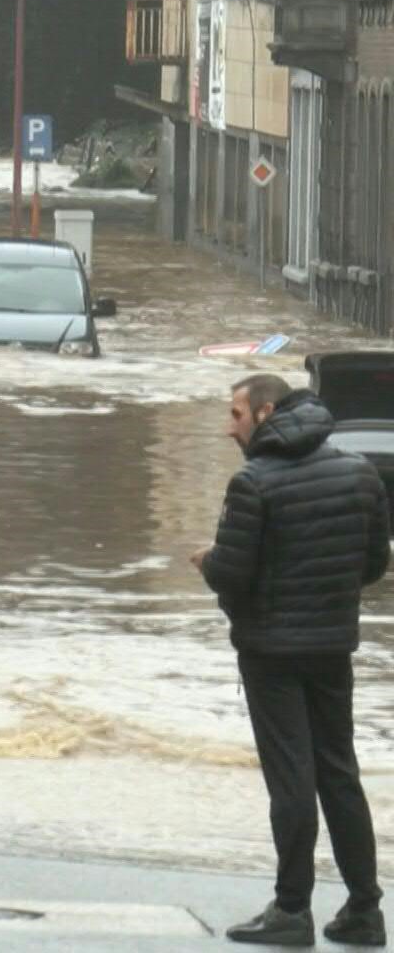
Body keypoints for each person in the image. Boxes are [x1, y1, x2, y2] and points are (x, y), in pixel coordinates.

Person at [196, 374, 390, 947]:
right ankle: (365, 908)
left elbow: (231, 573)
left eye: (235, 413)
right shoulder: (360, 473)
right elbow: (374, 563)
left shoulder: (253, 482)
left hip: (271, 652)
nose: (228, 425)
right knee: (339, 772)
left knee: (292, 780)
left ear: (266, 412)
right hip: (333, 646)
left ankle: (291, 909)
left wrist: (206, 561)